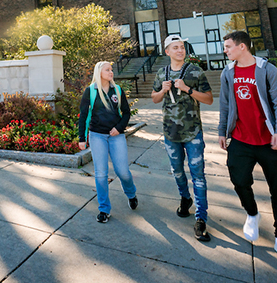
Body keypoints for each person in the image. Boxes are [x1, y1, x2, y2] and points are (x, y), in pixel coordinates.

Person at [218, 30, 277, 265]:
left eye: (228, 46)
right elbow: (225, 104)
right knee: (240, 181)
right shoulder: (228, 72)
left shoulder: (267, 70)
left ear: (242, 47)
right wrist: (223, 132)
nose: (225, 50)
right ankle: (252, 213)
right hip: (241, 140)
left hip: (269, 141)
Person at [151, 35, 214, 242]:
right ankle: (185, 198)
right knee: (177, 172)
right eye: (175, 48)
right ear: (167, 51)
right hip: (171, 134)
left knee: (198, 175)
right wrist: (163, 90)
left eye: (182, 47)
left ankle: (201, 218)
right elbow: (154, 98)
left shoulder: (195, 71)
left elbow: (209, 99)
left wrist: (187, 88)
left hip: (193, 132)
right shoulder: (162, 73)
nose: (180, 50)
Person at [78, 61, 137, 223]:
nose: (111, 72)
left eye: (111, 70)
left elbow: (126, 113)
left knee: (123, 171)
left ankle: (131, 194)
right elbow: (83, 116)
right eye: (108, 70)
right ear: (99, 72)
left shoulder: (117, 90)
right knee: (101, 173)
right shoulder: (90, 91)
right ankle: (104, 209)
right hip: (97, 136)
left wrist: (119, 128)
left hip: (116, 136)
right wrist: (82, 138)